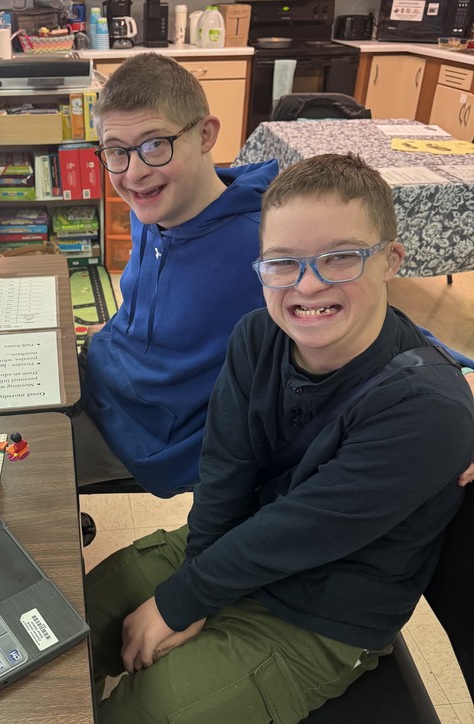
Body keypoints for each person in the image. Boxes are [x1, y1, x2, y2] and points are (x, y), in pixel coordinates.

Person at [85, 153, 474, 724]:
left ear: (392, 260)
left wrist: (184, 601)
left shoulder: (426, 410)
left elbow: (303, 533)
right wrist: (195, 590)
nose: (309, 285)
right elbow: (225, 475)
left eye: (342, 257)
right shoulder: (255, 337)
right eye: (283, 261)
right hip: (239, 545)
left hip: (320, 619)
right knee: (75, 622)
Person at [72, 53, 474, 500]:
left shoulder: (264, 244)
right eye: (116, 151)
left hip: (147, 436)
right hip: (99, 377)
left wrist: (462, 395)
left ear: (205, 134)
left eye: (155, 145)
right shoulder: (152, 208)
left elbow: (378, 321)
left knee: (4, 464)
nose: (135, 171)